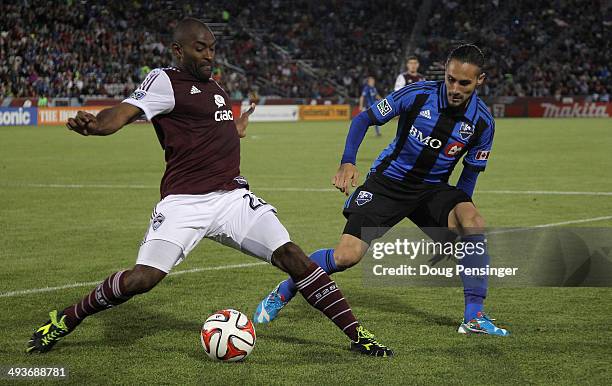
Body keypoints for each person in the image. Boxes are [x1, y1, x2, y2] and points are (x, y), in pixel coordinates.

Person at [27, 18, 392, 358]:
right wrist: (97, 125)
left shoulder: (214, 86)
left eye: (213, 48)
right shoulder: (164, 80)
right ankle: (66, 318)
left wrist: (236, 129)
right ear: (178, 50)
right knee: (142, 278)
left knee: (295, 258)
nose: (209, 55)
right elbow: (122, 113)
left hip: (232, 199)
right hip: (185, 203)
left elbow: (205, 130)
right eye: (200, 48)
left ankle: (358, 336)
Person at [254, 44, 510, 337]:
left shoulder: (482, 122)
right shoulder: (419, 95)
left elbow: (470, 174)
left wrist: (457, 224)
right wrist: (347, 161)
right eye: (451, 78)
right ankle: (286, 289)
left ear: (480, 81)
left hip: (431, 191)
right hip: (387, 184)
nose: (454, 87)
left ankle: (474, 317)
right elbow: (364, 118)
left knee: (474, 222)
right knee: (346, 257)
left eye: (464, 82)